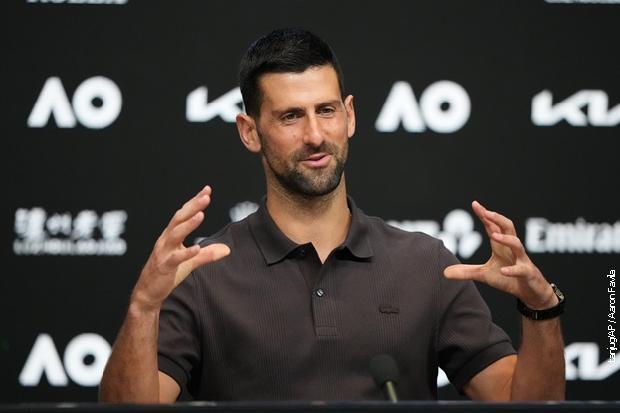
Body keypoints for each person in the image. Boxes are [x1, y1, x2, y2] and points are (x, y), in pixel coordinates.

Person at [99, 28, 565, 402]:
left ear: (350, 116)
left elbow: (521, 401)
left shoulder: (425, 264)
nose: (315, 135)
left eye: (326, 111)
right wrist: (143, 309)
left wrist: (540, 310)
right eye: (290, 116)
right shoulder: (204, 272)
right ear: (249, 132)